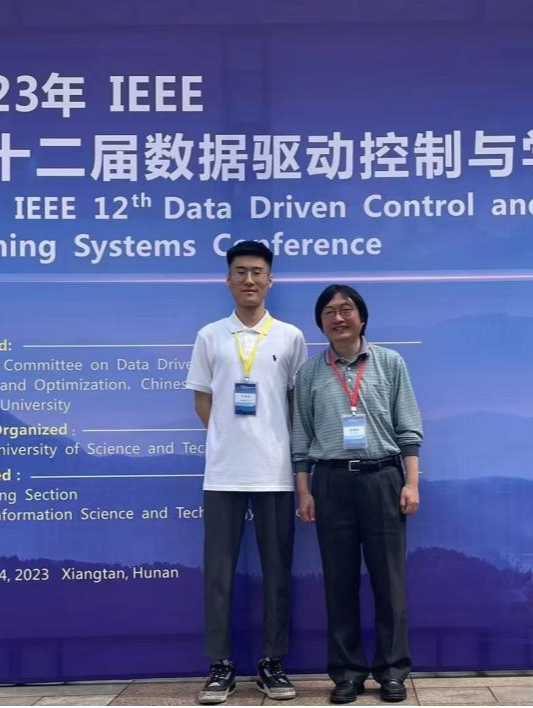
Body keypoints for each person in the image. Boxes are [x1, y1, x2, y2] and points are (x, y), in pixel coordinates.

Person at [185, 240, 308, 704]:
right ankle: (220, 665)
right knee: (218, 573)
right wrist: (228, 436)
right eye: (240, 271)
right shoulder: (209, 335)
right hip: (222, 474)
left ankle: (272, 663)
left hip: (275, 473)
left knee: (278, 572)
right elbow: (202, 399)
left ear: (270, 280)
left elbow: (296, 403)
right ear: (228, 279)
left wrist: (273, 442)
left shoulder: (291, 337)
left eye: (257, 272)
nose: (249, 279)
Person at [292, 284, 423, 704]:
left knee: (390, 583)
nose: (338, 317)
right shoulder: (309, 374)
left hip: (383, 478)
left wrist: (411, 482)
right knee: (339, 583)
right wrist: (304, 491)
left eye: (346, 309)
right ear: (321, 324)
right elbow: (301, 439)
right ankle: (347, 674)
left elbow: (408, 428)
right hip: (330, 482)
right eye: (329, 312)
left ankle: (392, 672)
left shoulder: (390, 362)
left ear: (362, 318)